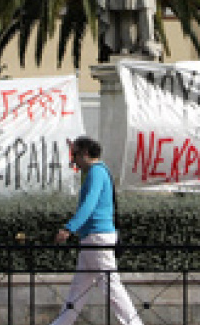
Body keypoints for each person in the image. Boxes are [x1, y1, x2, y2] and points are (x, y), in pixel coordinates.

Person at [50, 137, 143, 325]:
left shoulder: (96, 173)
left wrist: (69, 228)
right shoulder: (95, 172)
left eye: (74, 155)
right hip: (93, 237)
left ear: (85, 153)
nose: (72, 160)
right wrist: (74, 149)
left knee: (112, 287)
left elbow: (89, 204)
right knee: (79, 289)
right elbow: (87, 189)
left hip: (97, 238)